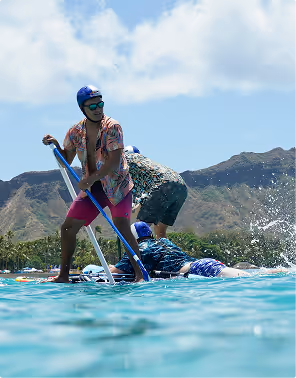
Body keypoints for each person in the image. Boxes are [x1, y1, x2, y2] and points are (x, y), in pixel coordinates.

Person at [42, 85, 144, 282]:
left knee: (122, 226)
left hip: (117, 185)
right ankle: (63, 275)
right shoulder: (75, 132)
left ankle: (140, 275)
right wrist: (56, 144)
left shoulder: (112, 126)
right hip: (93, 188)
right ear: (82, 109)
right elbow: (66, 161)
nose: (98, 109)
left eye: (100, 104)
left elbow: (113, 162)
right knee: (67, 228)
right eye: (92, 106)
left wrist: (89, 179)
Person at [110, 222, 288, 278]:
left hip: (198, 270)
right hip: (203, 264)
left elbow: (117, 271)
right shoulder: (164, 242)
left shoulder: (139, 249)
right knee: (258, 275)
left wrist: (109, 267)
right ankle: (285, 269)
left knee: (249, 279)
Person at [124, 145, 188, 239]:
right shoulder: (144, 164)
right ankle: (165, 252)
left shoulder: (126, 160)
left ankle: (146, 252)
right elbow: (147, 195)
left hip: (163, 184)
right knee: (160, 231)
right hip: (181, 187)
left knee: (140, 228)